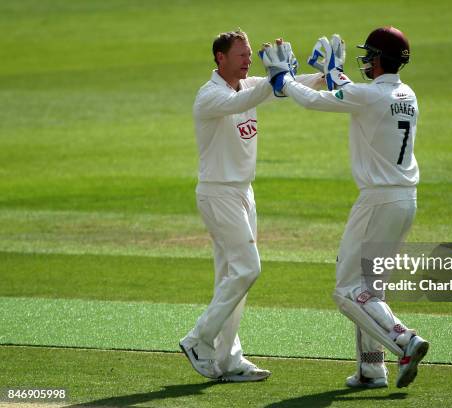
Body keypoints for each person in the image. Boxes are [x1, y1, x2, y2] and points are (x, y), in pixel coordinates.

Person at [260, 27, 429, 389]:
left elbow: (312, 100)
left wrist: (282, 78)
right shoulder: (406, 93)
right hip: (405, 201)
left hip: (378, 201)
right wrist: (335, 71)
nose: (367, 60)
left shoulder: (367, 96)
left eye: (371, 55)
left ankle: (404, 339)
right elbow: (354, 94)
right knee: (371, 290)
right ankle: (371, 369)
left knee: (347, 289)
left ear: (380, 59)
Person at [180, 30, 323, 382]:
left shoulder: (247, 86)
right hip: (218, 192)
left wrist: (324, 76)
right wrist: (277, 78)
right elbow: (246, 101)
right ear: (220, 58)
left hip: (243, 192)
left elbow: (279, 89)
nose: (247, 60)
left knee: (231, 279)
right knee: (247, 269)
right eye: (241, 55)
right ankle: (198, 339)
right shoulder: (210, 96)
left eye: (249, 55)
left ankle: (229, 360)